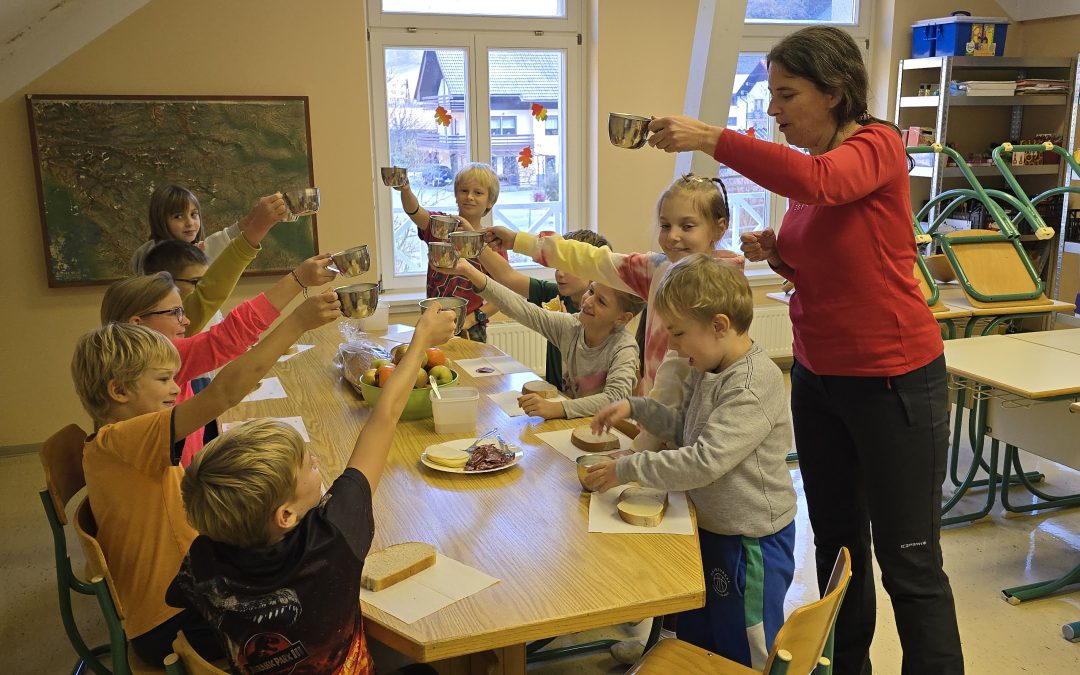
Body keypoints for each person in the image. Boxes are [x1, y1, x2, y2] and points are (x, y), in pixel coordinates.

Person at [644, 25, 963, 675]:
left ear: (835, 91)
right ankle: (850, 667)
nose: (773, 110)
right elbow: (839, 256)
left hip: (893, 378)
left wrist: (710, 137)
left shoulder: (879, 144)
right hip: (821, 378)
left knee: (909, 560)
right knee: (840, 547)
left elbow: (825, 184)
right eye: (770, 94)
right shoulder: (812, 173)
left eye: (786, 94)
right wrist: (782, 255)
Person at [166, 306, 457, 675]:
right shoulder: (331, 537)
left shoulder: (201, 558)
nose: (316, 459)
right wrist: (420, 343)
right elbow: (385, 417)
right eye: (309, 464)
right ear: (285, 515)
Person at [71, 293, 340, 665]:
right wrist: (295, 323)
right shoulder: (126, 439)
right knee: (315, 595)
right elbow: (225, 392)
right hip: (170, 620)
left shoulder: (115, 441)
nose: (175, 389)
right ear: (118, 391)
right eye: (165, 380)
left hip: (178, 592)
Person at [585, 254, 796, 669]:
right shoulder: (711, 366)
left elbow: (703, 461)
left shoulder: (752, 384)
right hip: (714, 527)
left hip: (749, 542)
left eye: (679, 334)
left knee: (744, 649)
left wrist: (627, 467)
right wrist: (637, 407)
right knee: (701, 638)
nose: (674, 346)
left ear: (719, 325)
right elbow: (686, 428)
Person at [483, 175, 743, 446]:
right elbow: (593, 259)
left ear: (719, 228)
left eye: (687, 226)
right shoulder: (658, 268)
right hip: (656, 415)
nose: (673, 236)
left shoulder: (723, 287)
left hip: (698, 425)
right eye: (665, 225)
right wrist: (518, 241)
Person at [101, 253, 336, 466]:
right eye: (175, 313)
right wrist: (298, 295)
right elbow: (227, 363)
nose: (186, 322)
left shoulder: (148, 373)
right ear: (138, 326)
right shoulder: (154, 367)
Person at [436, 258, 642, 418]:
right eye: (591, 291)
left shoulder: (623, 348)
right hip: (577, 423)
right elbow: (521, 309)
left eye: (601, 302)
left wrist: (557, 408)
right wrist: (470, 271)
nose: (588, 302)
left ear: (622, 318)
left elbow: (616, 399)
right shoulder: (571, 326)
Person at [471, 227, 613, 388]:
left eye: (570, 268)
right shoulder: (556, 294)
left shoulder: (604, 316)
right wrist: (475, 242)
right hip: (554, 396)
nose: (560, 274)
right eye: (558, 266)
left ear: (595, 271)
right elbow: (506, 275)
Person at [391, 163, 506, 341]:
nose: (469, 197)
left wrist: (472, 319)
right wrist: (405, 190)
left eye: (478, 193)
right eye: (464, 190)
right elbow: (414, 211)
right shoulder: (441, 225)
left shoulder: (493, 242)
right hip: (433, 322)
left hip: (471, 328)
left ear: (490, 201)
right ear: (456, 195)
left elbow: (502, 295)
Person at [130, 183, 287, 276]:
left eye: (194, 214)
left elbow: (225, 238)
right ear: (160, 219)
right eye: (178, 216)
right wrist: (258, 222)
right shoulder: (158, 256)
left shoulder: (194, 249)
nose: (189, 222)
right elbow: (218, 245)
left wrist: (254, 216)